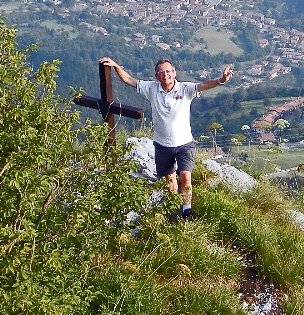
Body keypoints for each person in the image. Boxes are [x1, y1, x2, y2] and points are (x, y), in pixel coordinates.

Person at [99, 56, 232, 219]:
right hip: (162, 144)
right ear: (156, 76)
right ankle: (174, 207)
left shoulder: (185, 89)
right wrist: (114, 65)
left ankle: (187, 209)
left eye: (168, 71)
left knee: (185, 176)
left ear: (174, 73)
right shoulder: (152, 88)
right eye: (161, 72)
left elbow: (204, 85)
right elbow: (129, 80)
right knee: (170, 181)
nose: (165, 74)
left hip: (184, 143)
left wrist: (221, 80)